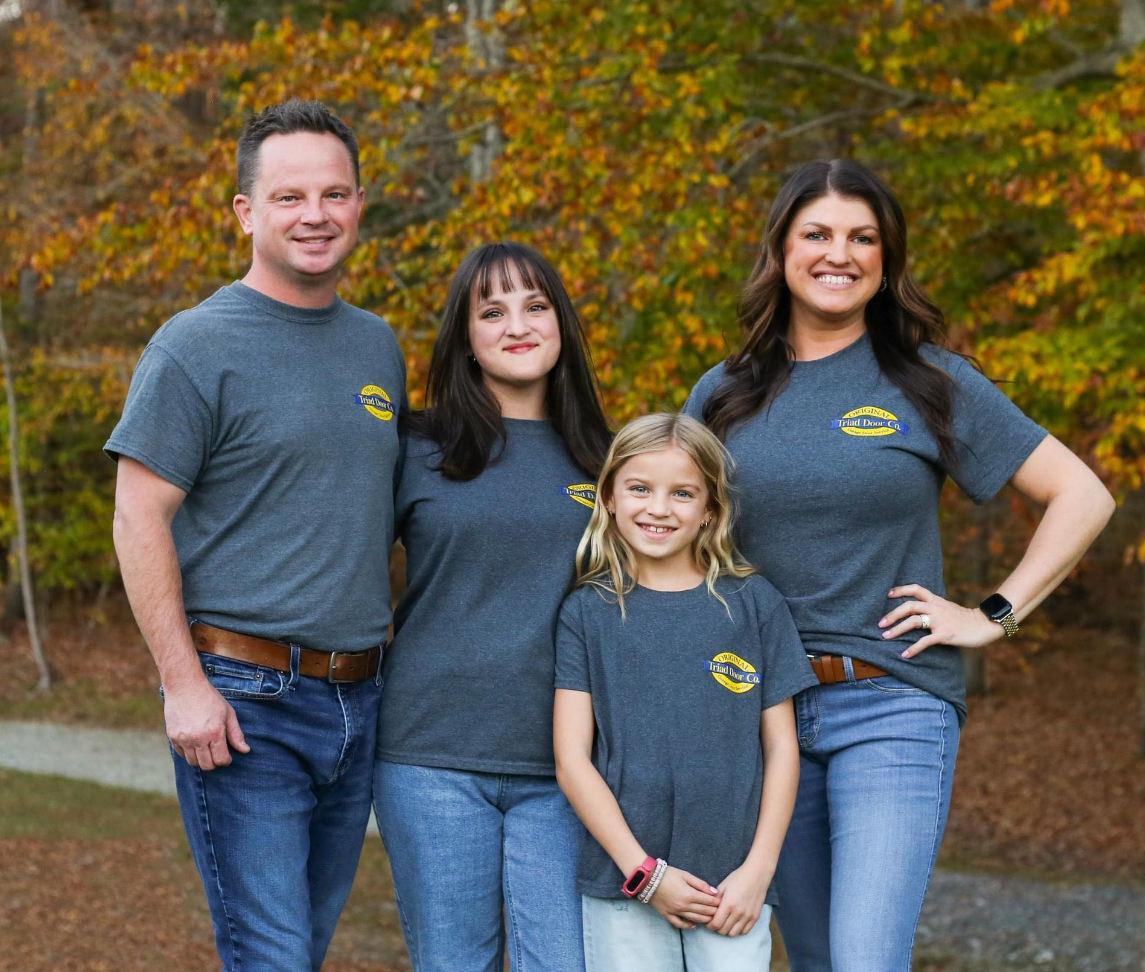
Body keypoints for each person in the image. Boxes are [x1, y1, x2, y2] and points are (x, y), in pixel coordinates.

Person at [683, 158, 1115, 972]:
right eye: (815, 234)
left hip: (891, 702)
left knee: (863, 959)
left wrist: (992, 614)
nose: (837, 253)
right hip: (759, 711)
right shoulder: (723, 393)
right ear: (779, 251)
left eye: (861, 237)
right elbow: (664, 538)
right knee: (812, 956)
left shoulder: (929, 382)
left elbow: (1082, 496)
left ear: (885, 262)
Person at [105, 100, 405, 972]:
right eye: (289, 196)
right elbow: (138, 517)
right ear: (245, 211)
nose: (315, 214)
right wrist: (182, 687)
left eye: (334, 193)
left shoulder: (376, 348)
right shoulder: (194, 347)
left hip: (358, 699)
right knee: (271, 956)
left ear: (358, 204)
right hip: (243, 705)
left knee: (295, 953)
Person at [372, 241, 611, 972]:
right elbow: (333, 563)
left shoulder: (612, 463)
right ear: (465, 338)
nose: (517, 324)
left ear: (562, 324)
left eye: (535, 306)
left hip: (569, 769)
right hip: (430, 757)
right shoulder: (415, 447)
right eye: (492, 311)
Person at [553, 412, 818, 972]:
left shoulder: (754, 604)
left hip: (733, 887)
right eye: (640, 489)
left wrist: (759, 871)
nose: (658, 508)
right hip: (625, 882)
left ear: (710, 511)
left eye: (682, 493)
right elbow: (572, 759)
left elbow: (782, 749)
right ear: (608, 498)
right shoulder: (588, 611)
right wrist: (644, 874)